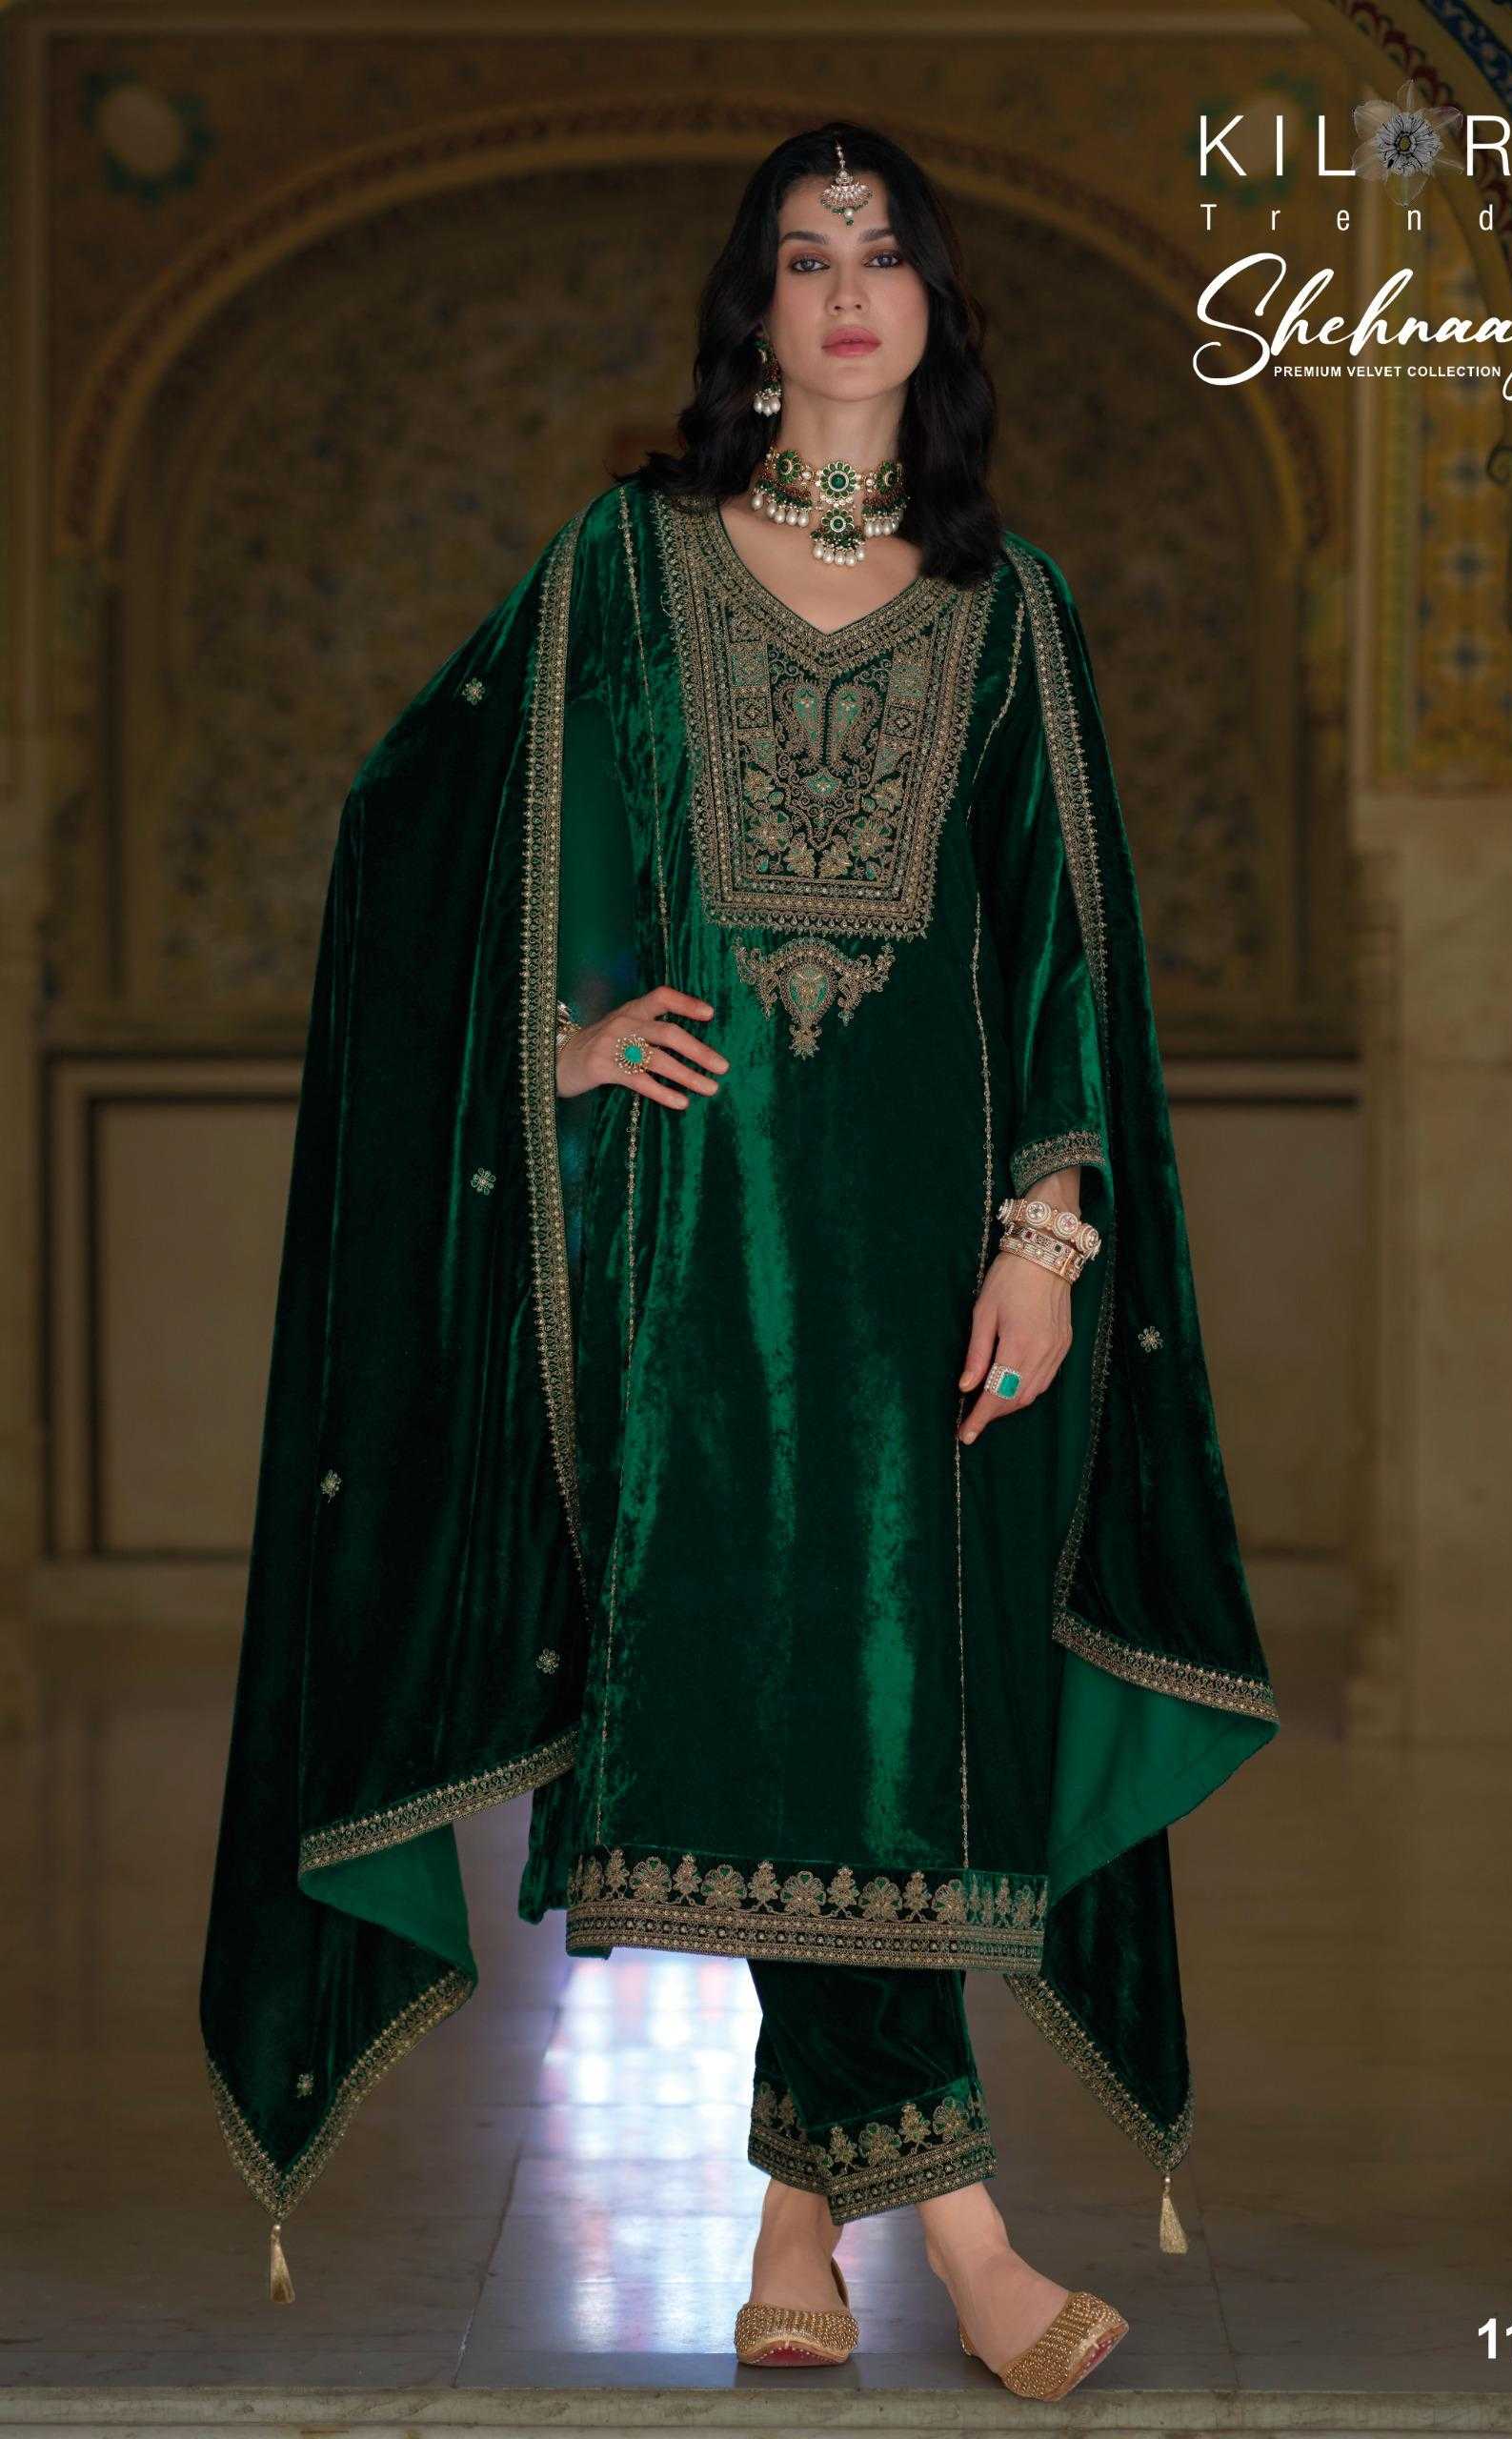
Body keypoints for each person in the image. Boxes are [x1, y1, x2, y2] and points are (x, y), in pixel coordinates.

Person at [198, 121, 1279, 2408]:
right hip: (693, 1261)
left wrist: (1050, 1238)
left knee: (896, 1702)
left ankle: (799, 2219)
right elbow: (421, 820)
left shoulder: (1010, 606)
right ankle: (969, 2240)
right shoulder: (626, 562)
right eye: (806, 256)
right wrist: (556, 1040)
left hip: (935, 1255)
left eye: (884, 253)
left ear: (932, 311)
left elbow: (1059, 950)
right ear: (757, 315)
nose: (848, 288)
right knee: (797, 1694)